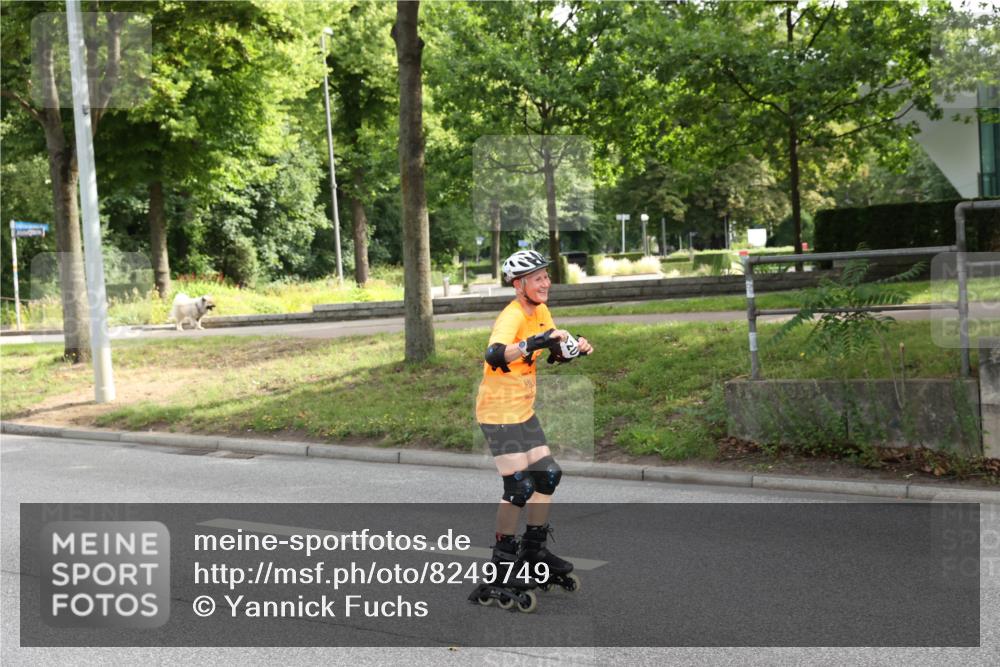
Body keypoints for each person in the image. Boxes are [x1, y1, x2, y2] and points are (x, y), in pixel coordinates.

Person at [470, 250, 593, 610]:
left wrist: (573, 349)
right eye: (538, 278)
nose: (546, 283)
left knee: (548, 476)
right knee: (519, 487)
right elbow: (495, 354)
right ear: (519, 284)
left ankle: (534, 551)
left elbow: (553, 352)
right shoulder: (511, 315)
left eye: (546, 276)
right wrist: (535, 342)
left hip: (522, 410)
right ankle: (502, 565)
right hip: (498, 410)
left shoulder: (541, 312)